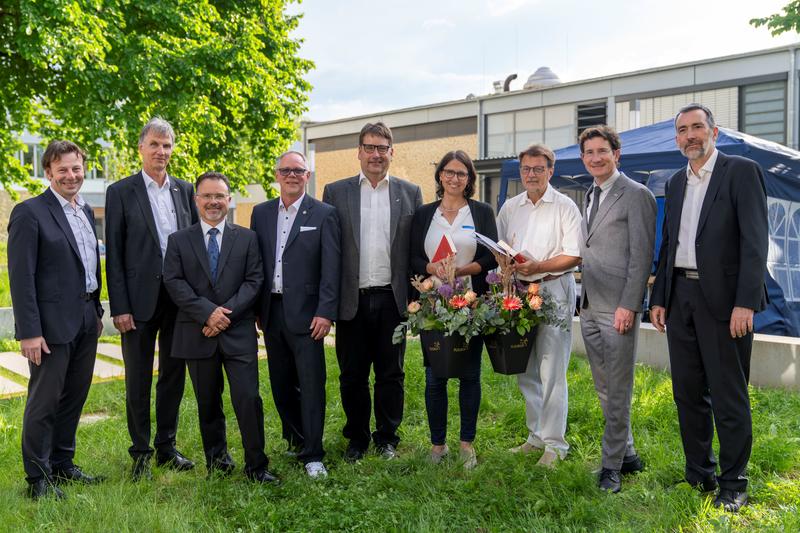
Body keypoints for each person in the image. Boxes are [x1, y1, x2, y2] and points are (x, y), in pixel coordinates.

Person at [650, 104, 768, 512]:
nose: (689, 136)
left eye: (697, 127)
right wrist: (660, 297)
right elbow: (669, 245)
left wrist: (745, 303)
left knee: (728, 394)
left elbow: (756, 243)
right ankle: (699, 473)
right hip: (680, 297)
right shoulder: (676, 183)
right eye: (682, 130)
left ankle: (734, 483)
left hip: (725, 303)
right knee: (686, 393)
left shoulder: (740, 171)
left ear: (714, 131)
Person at [163, 172, 277, 483]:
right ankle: (218, 462)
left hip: (237, 331)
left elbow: (255, 280)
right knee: (208, 402)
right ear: (196, 200)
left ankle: (257, 465)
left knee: (248, 398)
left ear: (229, 200)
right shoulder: (178, 241)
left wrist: (223, 315)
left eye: (220, 196)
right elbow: (174, 282)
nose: (214, 202)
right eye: (207, 196)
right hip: (198, 332)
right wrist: (207, 314)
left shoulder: (247, 238)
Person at [8, 140, 105, 499]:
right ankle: (38, 479)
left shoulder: (87, 211)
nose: (71, 175)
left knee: (74, 397)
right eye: (62, 169)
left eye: (76, 168)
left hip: (84, 318)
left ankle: (63, 465)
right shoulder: (29, 212)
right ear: (48, 172)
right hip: (48, 327)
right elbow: (22, 277)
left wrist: (95, 310)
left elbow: (87, 264)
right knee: (45, 401)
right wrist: (29, 332)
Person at [322, 122, 423, 461]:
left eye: (382, 148)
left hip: (392, 300)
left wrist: (417, 296)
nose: (376, 154)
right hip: (352, 300)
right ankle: (357, 438)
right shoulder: (336, 192)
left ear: (392, 152)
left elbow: (415, 250)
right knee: (352, 375)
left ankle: (387, 438)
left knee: (391, 374)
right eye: (369, 147)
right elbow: (329, 250)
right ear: (359, 152)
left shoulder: (410, 193)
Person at [105, 117, 198, 480]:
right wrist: (121, 307)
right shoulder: (121, 192)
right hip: (138, 303)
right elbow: (114, 254)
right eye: (155, 144)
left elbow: (191, 246)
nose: (162, 151)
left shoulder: (184, 189)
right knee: (138, 379)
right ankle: (140, 453)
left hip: (178, 301)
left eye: (167, 145)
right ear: (141, 148)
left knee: (173, 376)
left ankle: (166, 446)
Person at [251, 151, 341, 478]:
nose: (292, 175)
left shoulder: (324, 214)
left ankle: (314, 454)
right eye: (286, 170)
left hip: (308, 316)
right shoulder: (260, 214)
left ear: (307, 176)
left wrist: (325, 312)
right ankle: (295, 438)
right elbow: (257, 264)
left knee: (312, 384)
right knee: (281, 385)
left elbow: (332, 268)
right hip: (271, 313)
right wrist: (257, 310)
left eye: (298, 171)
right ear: (277, 175)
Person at [577, 126, 656, 492]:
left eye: (602, 151)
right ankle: (628, 453)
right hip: (590, 305)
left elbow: (641, 258)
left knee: (618, 388)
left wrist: (630, 304)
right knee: (605, 385)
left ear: (617, 153)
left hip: (619, 309)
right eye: (589, 152)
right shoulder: (590, 194)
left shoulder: (636, 195)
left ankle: (611, 467)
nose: (596, 157)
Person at [409, 150, 497, 470]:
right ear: (440, 175)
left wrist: (462, 271)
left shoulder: (482, 212)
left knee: (469, 375)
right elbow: (412, 257)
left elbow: (491, 255)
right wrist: (432, 267)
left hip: (470, 303)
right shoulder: (424, 214)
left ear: (470, 179)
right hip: (432, 305)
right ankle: (437, 445)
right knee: (435, 377)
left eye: (462, 173)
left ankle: (466, 444)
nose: (455, 178)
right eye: (449, 172)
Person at [496, 143, 581, 468]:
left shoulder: (565, 207)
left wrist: (539, 266)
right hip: (518, 293)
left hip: (552, 290)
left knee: (551, 370)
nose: (531, 175)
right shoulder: (510, 207)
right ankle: (535, 436)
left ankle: (555, 445)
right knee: (526, 369)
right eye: (526, 169)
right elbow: (501, 247)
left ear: (550, 170)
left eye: (538, 169)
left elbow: (574, 254)